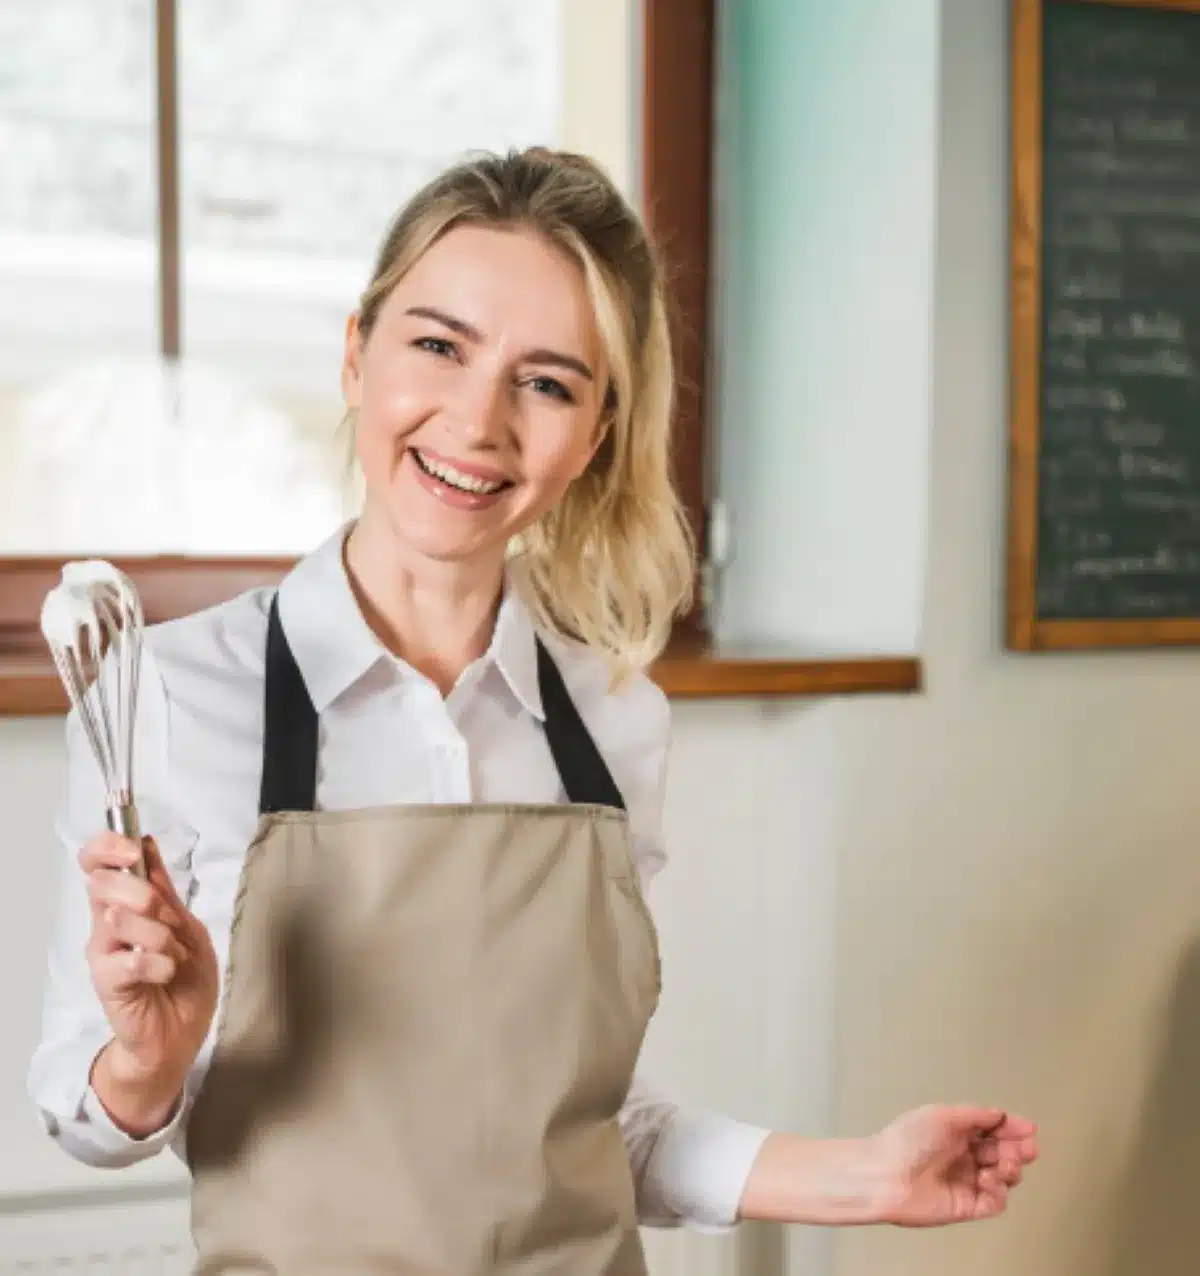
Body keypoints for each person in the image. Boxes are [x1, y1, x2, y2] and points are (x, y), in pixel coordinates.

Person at [29, 147, 1038, 1274]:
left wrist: (862, 1175)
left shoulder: (616, 723)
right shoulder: (165, 695)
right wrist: (150, 1060)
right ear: (358, 353)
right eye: (438, 346)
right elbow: (83, 1115)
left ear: (596, 434)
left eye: (548, 381)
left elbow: (590, 1127)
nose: (478, 419)